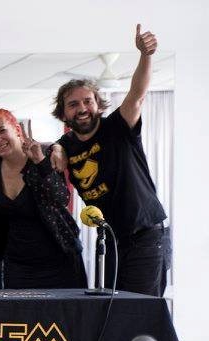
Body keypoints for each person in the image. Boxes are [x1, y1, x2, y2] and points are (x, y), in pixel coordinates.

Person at [54, 24, 167, 296]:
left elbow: (137, 95)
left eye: (87, 101)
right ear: (64, 114)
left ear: (97, 104)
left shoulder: (117, 127)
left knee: (140, 307)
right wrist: (57, 149)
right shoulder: (66, 145)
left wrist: (146, 55)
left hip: (145, 234)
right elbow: (57, 148)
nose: (82, 108)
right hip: (111, 238)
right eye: (73, 104)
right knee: (113, 307)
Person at [0, 110, 86, 289]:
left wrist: (40, 161)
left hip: (59, 260)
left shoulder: (44, 156)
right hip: (17, 266)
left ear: (17, 129)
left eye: (2, 131)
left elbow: (62, 198)